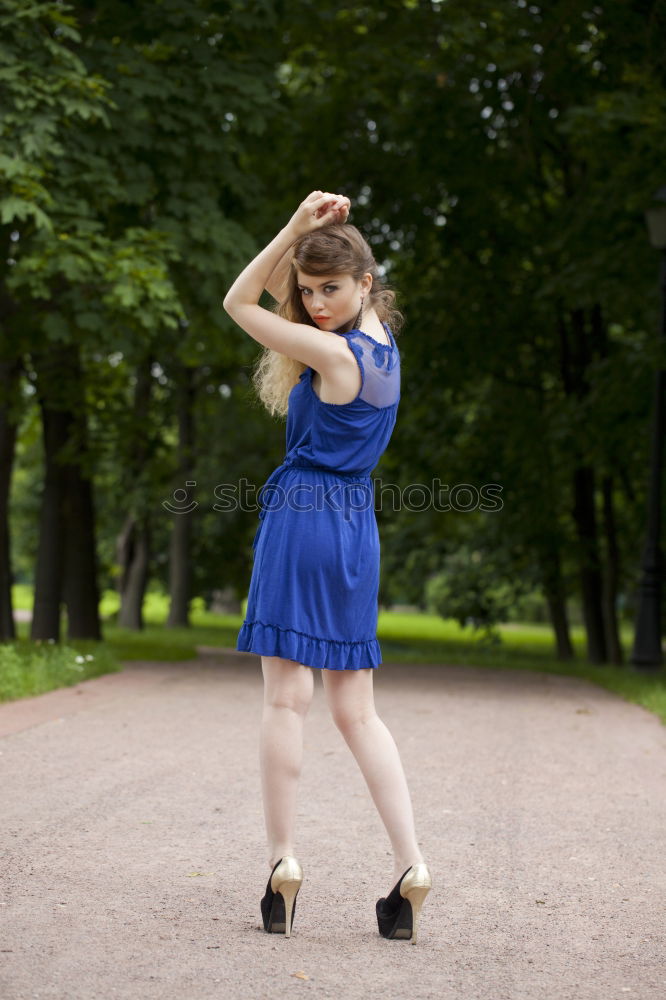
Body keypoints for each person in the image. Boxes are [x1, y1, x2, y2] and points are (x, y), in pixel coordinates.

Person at [223, 191, 432, 943]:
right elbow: (288, 292)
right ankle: (411, 866)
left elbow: (238, 300)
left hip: (304, 515)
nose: (313, 303)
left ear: (366, 283)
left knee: (286, 702)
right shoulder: (379, 351)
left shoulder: (333, 352)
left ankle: (283, 862)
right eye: (308, 291)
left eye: (330, 289)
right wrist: (316, 240)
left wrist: (288, 228)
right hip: (354, 529)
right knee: (359, 709)